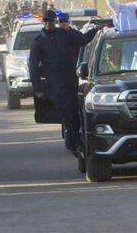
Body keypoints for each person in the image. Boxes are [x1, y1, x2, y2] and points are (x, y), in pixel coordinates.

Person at [29, 10, 101, 155]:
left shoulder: (63, 34)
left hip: (70, 78)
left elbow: (82, 40)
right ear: (43, 22)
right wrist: (37, 87)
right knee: (67, 110)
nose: (48, 23)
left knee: (74, 110)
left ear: (55, 21)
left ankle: (73, 140)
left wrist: (94, 30)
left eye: (50, 20)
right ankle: (77, 143)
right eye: (46, 20)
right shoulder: (39, 41)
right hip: (55, 82)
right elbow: (33, 65)